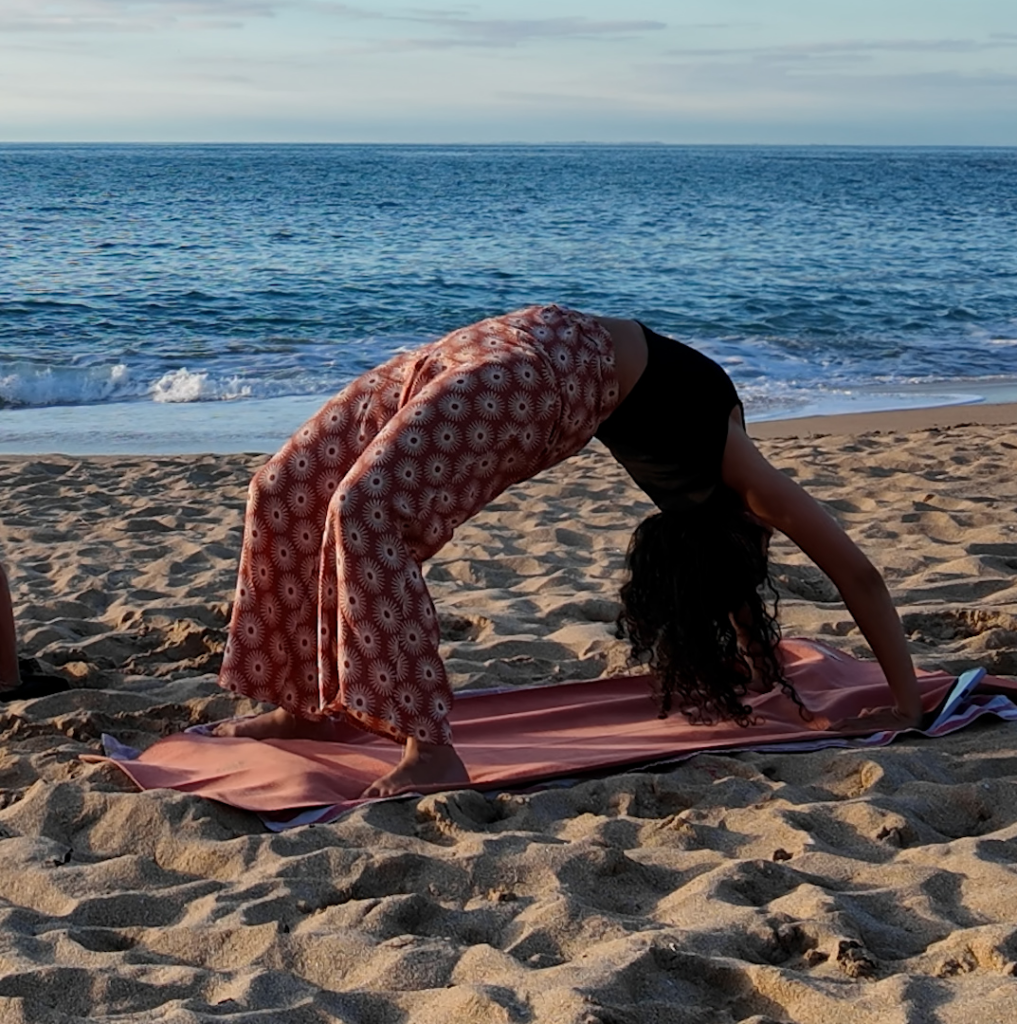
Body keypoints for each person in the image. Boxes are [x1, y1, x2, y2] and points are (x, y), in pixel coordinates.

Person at [214, 305, 921, 797]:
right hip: (491, 348)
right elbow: (856, 572)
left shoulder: (707, 510)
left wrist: (775, 669)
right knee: (283, 486)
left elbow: (736, 585)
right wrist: (903, 700)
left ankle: (429, 750)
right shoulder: (745, 483)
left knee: (366, 512)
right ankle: (301, 703)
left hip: (530, 374)